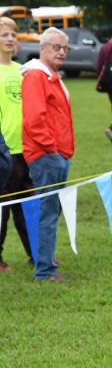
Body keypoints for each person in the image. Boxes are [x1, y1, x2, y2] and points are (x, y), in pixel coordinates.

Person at [21, 28, 74, 282]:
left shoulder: (51, 75)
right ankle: (44, 271)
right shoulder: (35, 76)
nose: (62, 52)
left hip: (57, 154)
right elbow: (34, 119)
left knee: (52, 211)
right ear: (43, 48)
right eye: (57, 47)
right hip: (46, 155)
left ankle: (46, 260)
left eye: (65, 48)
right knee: (48, 212)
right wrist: (52, 149)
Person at [0, 17, 33, 271]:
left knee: (28, 204)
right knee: (3, 208)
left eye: (13, 35)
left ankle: (35, 254)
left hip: (26, 149)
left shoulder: (21, 70)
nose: (10, 39)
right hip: (4, 151)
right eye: (4, 35)